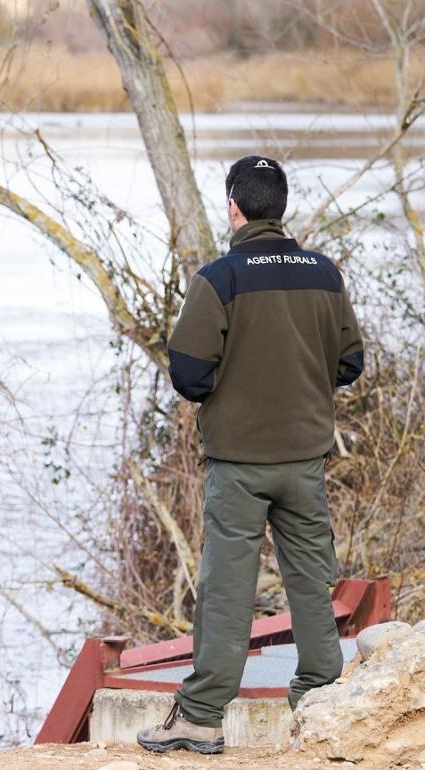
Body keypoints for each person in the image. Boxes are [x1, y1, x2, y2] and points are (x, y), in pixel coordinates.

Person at [137, 156, 364, 755]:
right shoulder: (324, 274)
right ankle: (320, 701)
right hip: (304, 458)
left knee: (226, 587)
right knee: (313, 582)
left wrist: (230, 385)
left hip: (238, 462)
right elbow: (349, 363)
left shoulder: (221, 278)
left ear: (234, 206)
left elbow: (188, 373)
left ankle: (202, 717)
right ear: (280, 206)